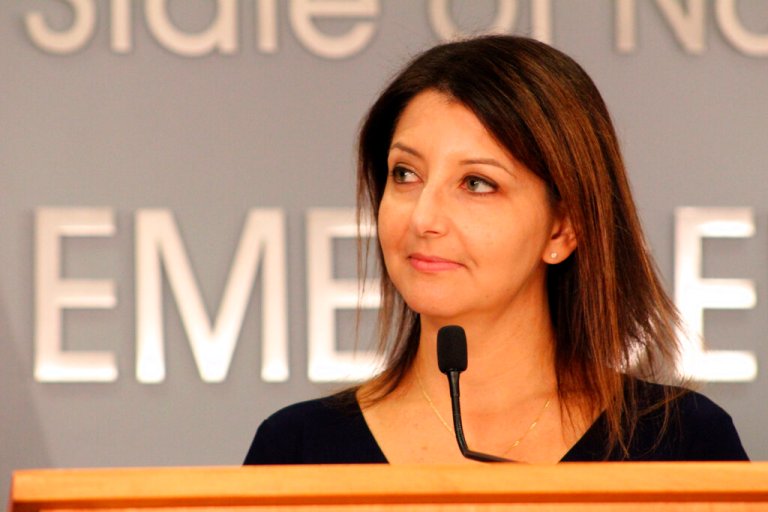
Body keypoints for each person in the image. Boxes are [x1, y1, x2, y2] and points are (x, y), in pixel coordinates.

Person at [244, 35, 748, 464]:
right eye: (405, 174)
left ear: (562, 229)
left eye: (477, 183)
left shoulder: (682, 441)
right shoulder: (297, 447)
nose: (423, 218)